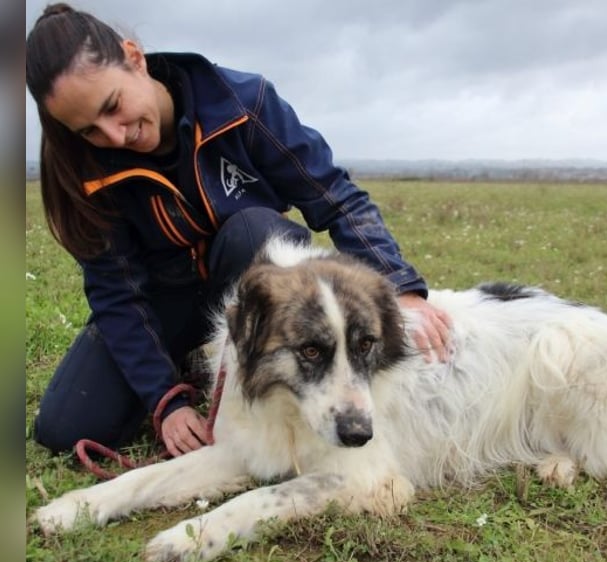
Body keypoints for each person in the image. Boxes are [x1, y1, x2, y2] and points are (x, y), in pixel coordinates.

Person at [26, 3, 451, 458]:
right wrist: (166, 402)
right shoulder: (83, 168)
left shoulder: (243, 103)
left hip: (253, 292)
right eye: (89, 130)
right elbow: (118, 295)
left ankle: (249, 377)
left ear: (134, 57)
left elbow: (335, 197)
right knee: (62, 428)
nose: (114, 135)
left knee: (256, 231)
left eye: (113, 106)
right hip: (164, 304)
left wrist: (402, 288)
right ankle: (191, 366)